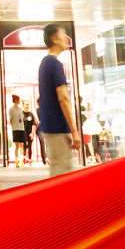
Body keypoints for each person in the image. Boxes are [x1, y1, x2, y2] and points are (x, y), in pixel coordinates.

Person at [37, 24, 81, 177]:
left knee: (59, 172)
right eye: (63, 35)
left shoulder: (45, 63)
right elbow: (63, 98)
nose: (67, 38)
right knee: (62, 175)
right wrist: (74, 131)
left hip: (50, 128)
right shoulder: (54, 64)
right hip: (58, 129)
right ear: (55, 38)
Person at [9, 93, 26, 166]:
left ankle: (21, 161)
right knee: (16, 146)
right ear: (15, 100)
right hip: (15, 128)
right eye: (18, 99)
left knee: (21, 145)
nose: (19, 101)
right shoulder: (11, 109)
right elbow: (10, 120)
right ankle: (16, 161)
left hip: (21, 128)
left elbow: (22, 118)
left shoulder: (20, 109)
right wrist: (13, 125)